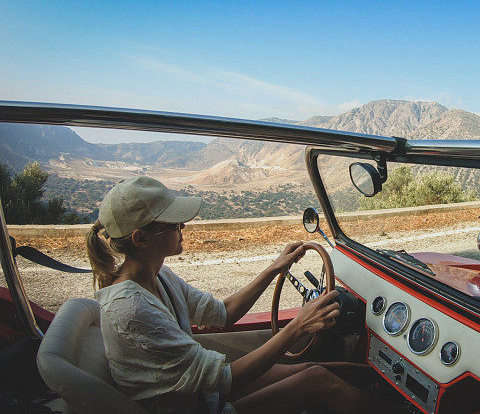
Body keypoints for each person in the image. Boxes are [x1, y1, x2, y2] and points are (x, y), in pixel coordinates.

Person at [86, 176, 371, 414]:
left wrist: (273, 269)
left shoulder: (159, 277)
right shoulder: (131, 309)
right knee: (318, 380)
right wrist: (298, 326)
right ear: (141, 238)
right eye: (173, 222)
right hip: (200, 405)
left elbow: (224, 312)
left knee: (312, 367)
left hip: (201, 396)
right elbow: (225, 380)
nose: (182, 226)